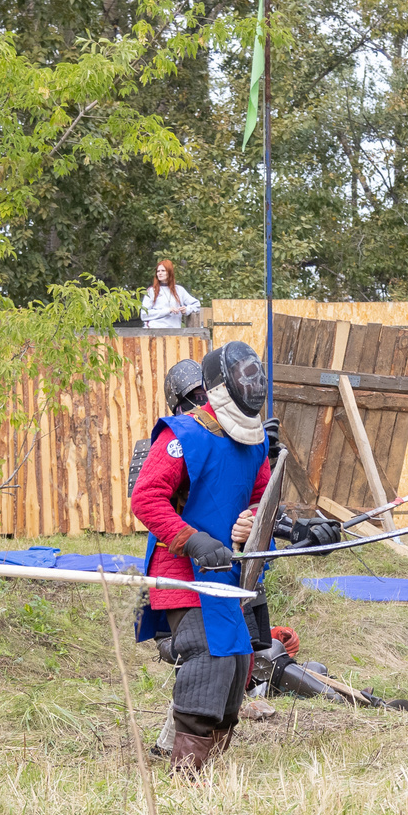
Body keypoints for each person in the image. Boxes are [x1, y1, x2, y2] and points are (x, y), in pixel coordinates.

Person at [131, 340, 270, 775]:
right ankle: (185, 772)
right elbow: (146, 498)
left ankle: (205, 766)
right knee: (209, 654)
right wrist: (191, 540)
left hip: (228, 572)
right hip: (179, 570)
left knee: (238, 661)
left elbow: (260, 499)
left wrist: (251, 521)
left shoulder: (255, 443)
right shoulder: (182, 435)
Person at [139, 259, 202, 331]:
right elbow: (144, 315)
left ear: (169, 272)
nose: (160, 273)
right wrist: (168, 310)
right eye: (158, 271)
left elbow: (196, 304)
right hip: (155, 331)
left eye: (163, 271)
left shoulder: (179, 290)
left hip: (175, 331)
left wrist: (186, 310)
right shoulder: (151, 291)